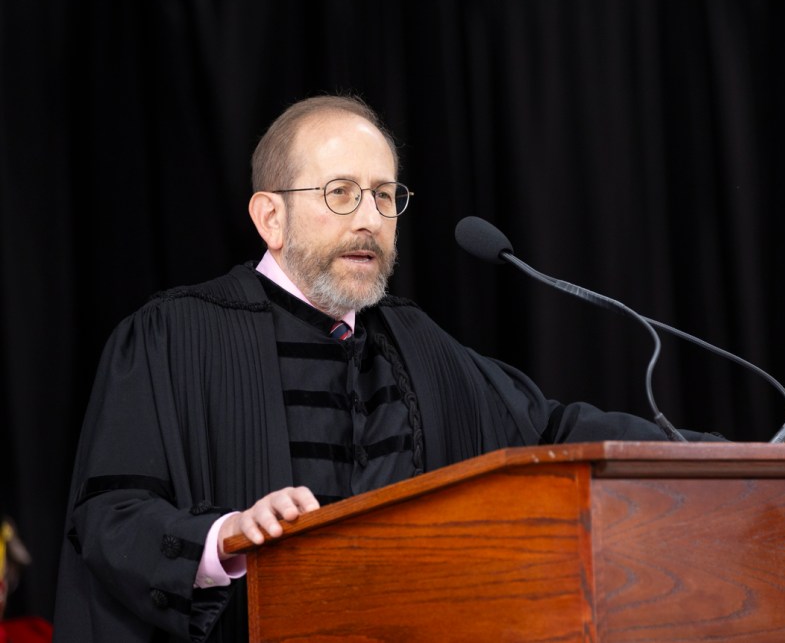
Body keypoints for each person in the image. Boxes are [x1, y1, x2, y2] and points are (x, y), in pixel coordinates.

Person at [53, 95, 722, 642]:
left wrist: (722, 459)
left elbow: (550, 428)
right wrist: (222, 536)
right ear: (270, 216)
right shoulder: (174, 336)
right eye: (341, 192)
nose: (369, 219)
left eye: (383, 195)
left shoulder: (417, 343)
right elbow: (110, 515)